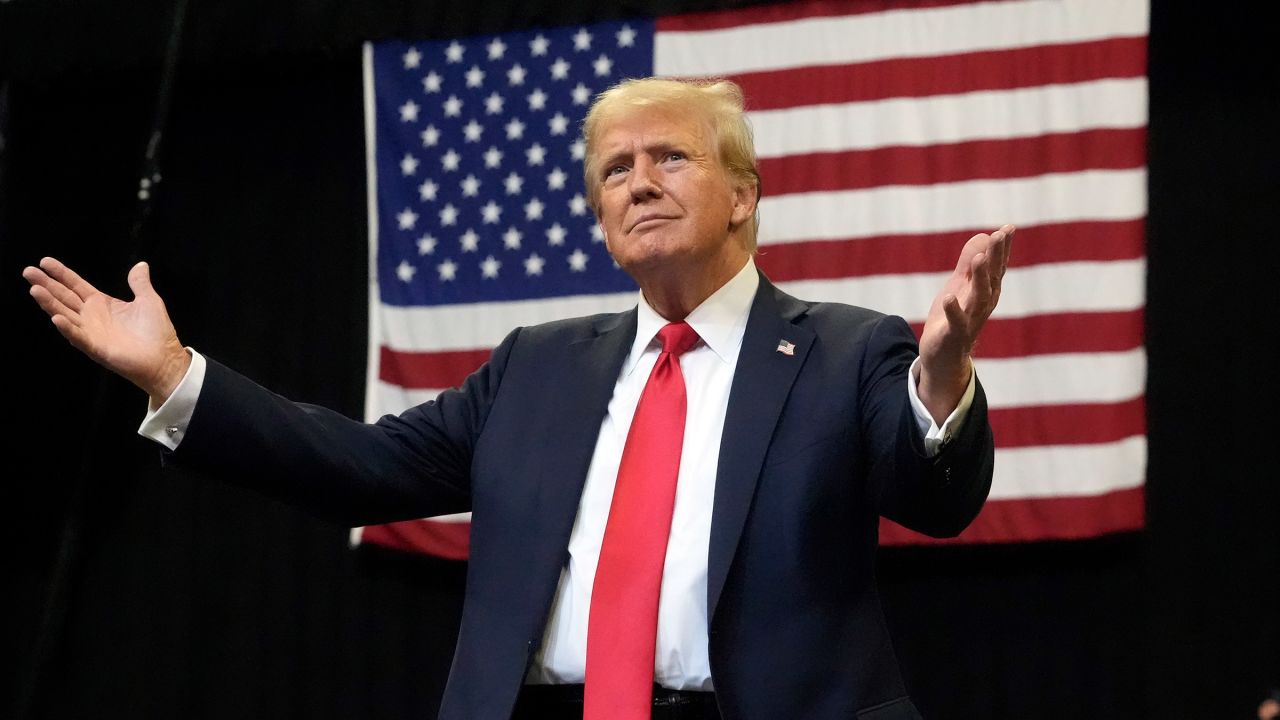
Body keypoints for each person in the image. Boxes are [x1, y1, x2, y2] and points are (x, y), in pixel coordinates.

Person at [24, 77, 1012, 720]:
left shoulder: (843, 351)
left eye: (669, 156)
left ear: (741, 195)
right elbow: (363, 467)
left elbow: (933, 496)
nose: (638, 183)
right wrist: (173, 374)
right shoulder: (536, 369)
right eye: (613, 172)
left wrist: (939, 382)